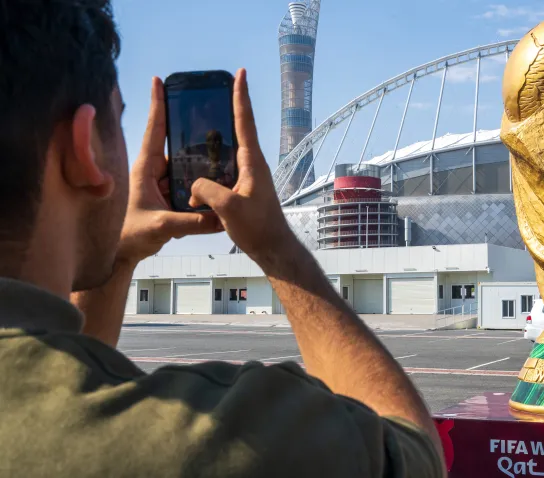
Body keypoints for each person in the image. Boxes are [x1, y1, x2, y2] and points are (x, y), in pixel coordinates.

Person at [0, 2, 445, 477]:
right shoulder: (216, 437)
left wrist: (120, 251)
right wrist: (278, 248)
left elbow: (62, 381)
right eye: (120, 121)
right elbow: (413, 457)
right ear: (85, 148)